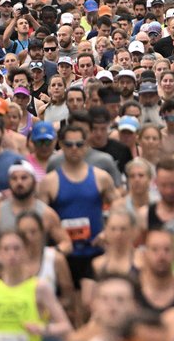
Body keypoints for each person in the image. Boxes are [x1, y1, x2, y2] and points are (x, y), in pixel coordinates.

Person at [37, 123, 117, 287]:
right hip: (63, 255)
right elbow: (40, 221)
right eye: (69, 144)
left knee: (91, 304)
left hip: (94, 252)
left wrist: (108, 231)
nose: (74, 148)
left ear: (86, 145)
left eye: (79, 144)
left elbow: (119, 207)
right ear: (61, 145)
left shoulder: (101, 177)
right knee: (68, 305)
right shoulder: (49, 182)